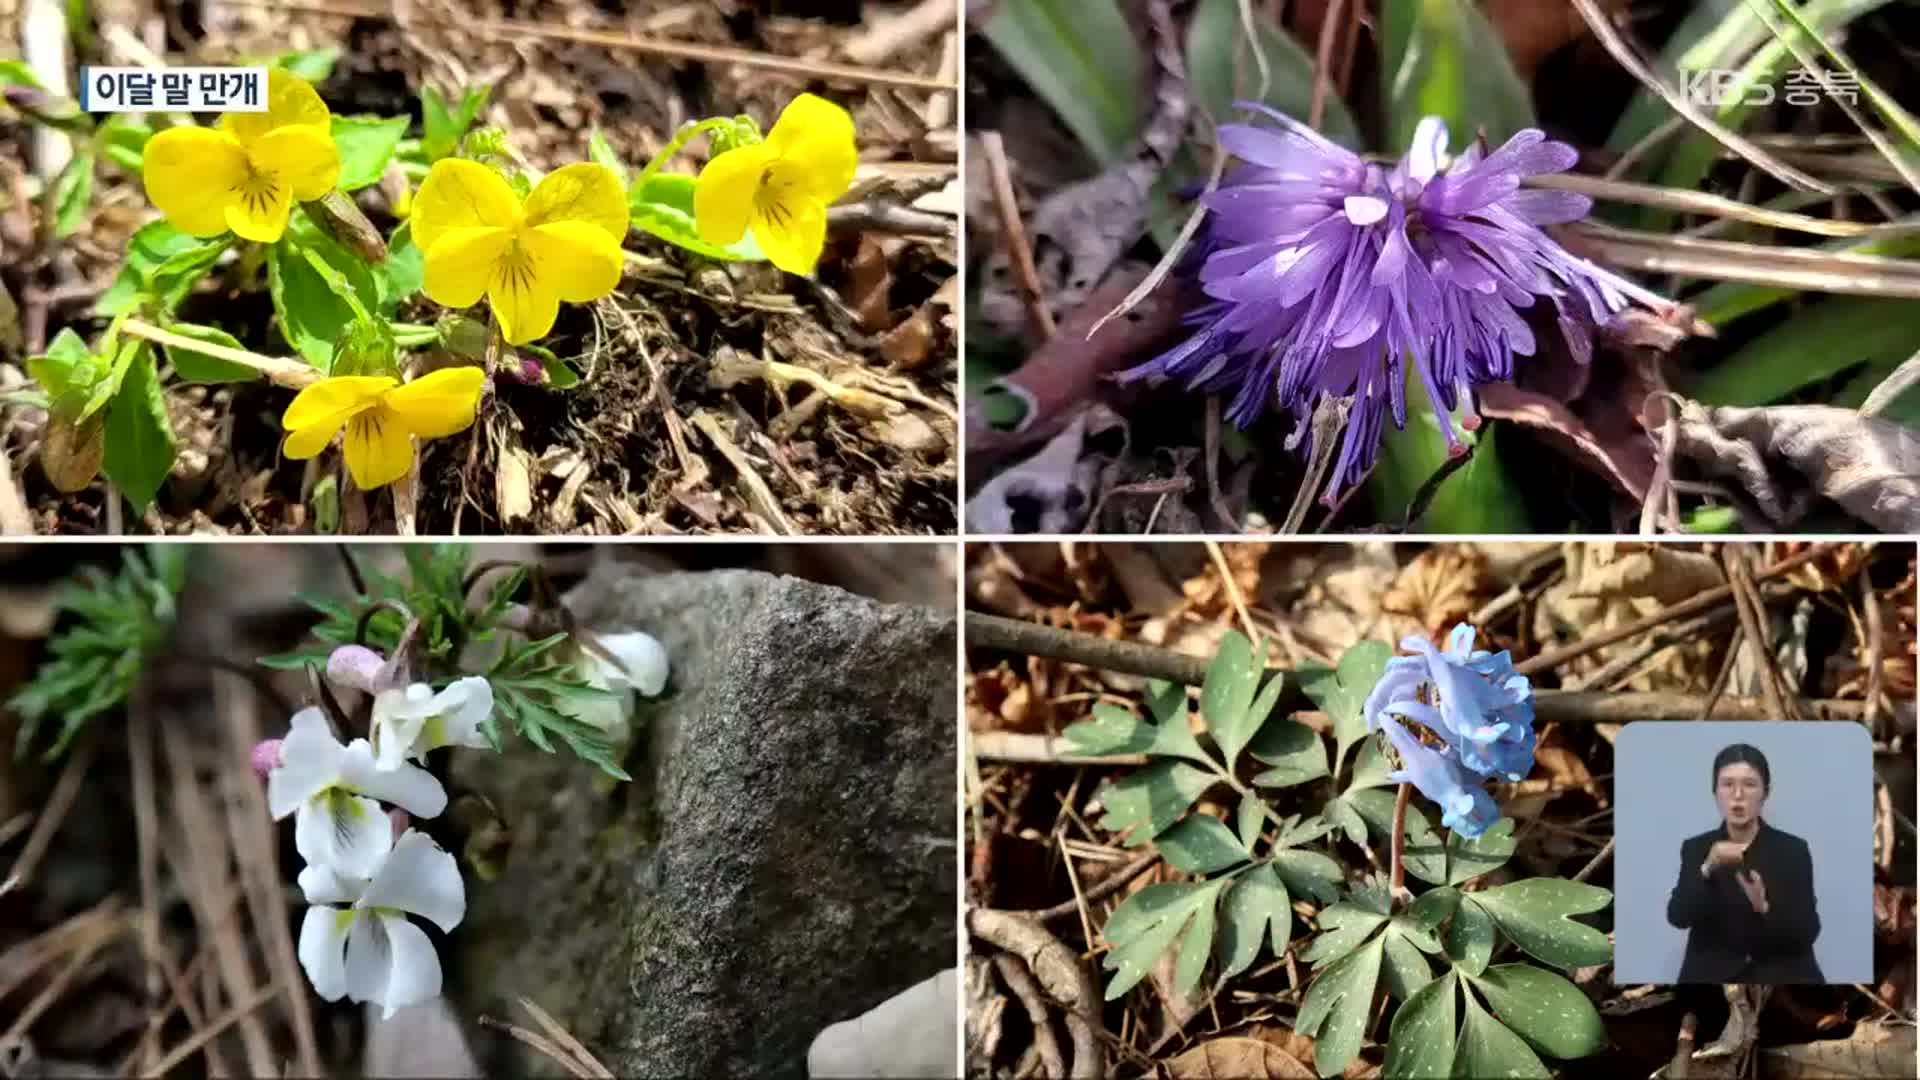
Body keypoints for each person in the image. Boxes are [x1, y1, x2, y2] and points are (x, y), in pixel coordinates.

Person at [1665, 744, 1824, 983]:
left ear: (1765, 792)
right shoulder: (1697, 848)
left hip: (1780, 978)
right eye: (1727, 784)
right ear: (1715, 791)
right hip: (1713, 980)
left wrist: (1764, 907)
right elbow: (1678, 916)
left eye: (1749, 784)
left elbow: (1807, 932)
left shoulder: (1792, 849)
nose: (1737, 795)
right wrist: (1707, 867)